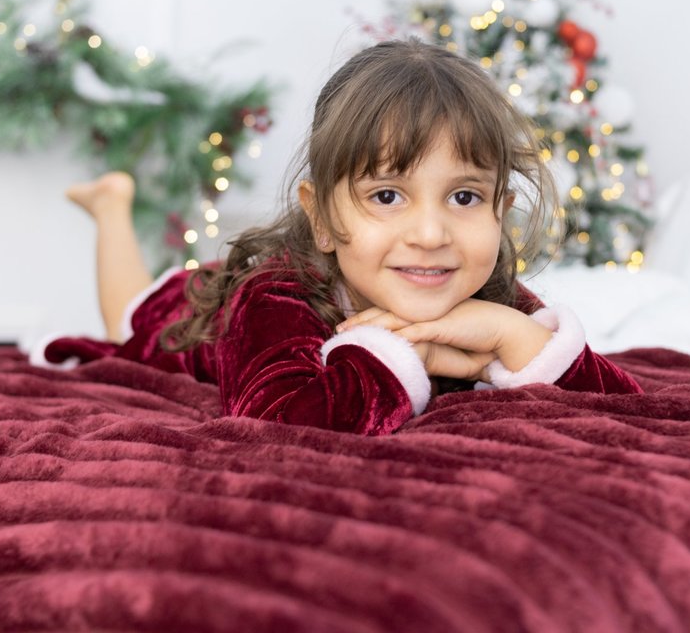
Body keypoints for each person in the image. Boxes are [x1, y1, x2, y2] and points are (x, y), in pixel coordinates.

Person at [35, 39, 642, 434]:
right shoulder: (275, 295)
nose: (431, 234)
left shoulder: (483, 290)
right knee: (128, 314)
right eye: (387, 196)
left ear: (500, 213)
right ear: (322, 218)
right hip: (196, 308)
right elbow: (279, 419)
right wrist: (411, 356)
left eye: (464, 198)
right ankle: (112, 206)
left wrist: (512, 334)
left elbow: (620, 405)